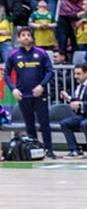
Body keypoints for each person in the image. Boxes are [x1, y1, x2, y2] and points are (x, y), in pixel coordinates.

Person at [4, 25, 54, 156]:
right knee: (29, 124)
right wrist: (13, 89)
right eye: (23, 35)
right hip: (22, 94)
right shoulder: (13, 54)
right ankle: (34, 149)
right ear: (19, 38)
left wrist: (42, 85)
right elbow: (6, 74)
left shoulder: (41, 52)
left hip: (40, 94)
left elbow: (50, 71)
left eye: (28, 35)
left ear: (32, 37)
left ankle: (49, 149)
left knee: (44, 123)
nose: (26, 37)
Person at [59, 64, 87, 155]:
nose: (75, 76)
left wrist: (80, 104)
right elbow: (79, 101)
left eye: (78, 74)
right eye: (75, 74)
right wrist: (69, 98)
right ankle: (74, 149)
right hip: (83, 115)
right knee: (65, 123)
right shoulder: (80, 86)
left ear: (86, 73)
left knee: (85, 124)